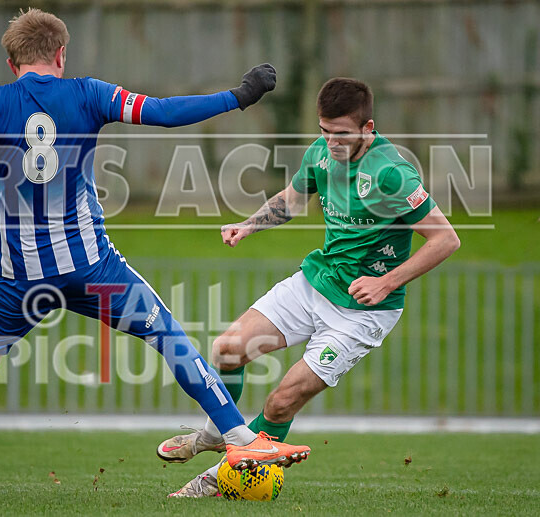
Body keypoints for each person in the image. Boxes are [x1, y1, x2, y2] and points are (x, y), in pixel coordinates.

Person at [0, 8, 309, 503]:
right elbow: (163, 111)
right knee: (165, 333)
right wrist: (239, 96)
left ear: (11, 63)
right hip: (91, 268)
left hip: (16, 281)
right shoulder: (90, 93)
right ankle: (240, 438)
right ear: (61, 54)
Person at [160, 77, 461, 497]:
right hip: (317, 282)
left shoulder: (392, 174)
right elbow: (291, 201)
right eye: (324, 130)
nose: (331, 142)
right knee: (227, 349)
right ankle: (217, 434)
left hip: (363, 312)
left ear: (368, 128)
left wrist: (385, 282)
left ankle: (219, 479)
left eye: (342, 133)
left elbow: (446, 239)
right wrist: (248, 225)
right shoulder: (320, 153)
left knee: (282, 401)